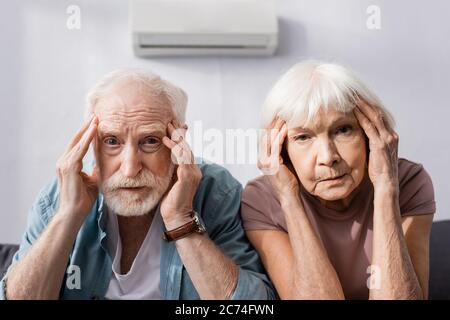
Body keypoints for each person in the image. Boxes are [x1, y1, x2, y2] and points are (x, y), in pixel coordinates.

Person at [1, 69, 275, 300]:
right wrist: (68, 216)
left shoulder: (215, 191)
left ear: (178, 139)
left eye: (150, 141)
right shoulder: (61, 194)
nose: (130, 169)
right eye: (111, 141)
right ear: (90, 141)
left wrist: (181, 221)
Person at [241, 61, 436, 299]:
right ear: (281, 150)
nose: (328, 157)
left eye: (343, 130)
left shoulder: (408, 182)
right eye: (303, 137)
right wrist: (289, 199)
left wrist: (385, 186)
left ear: (370, 134)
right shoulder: (262, 199)